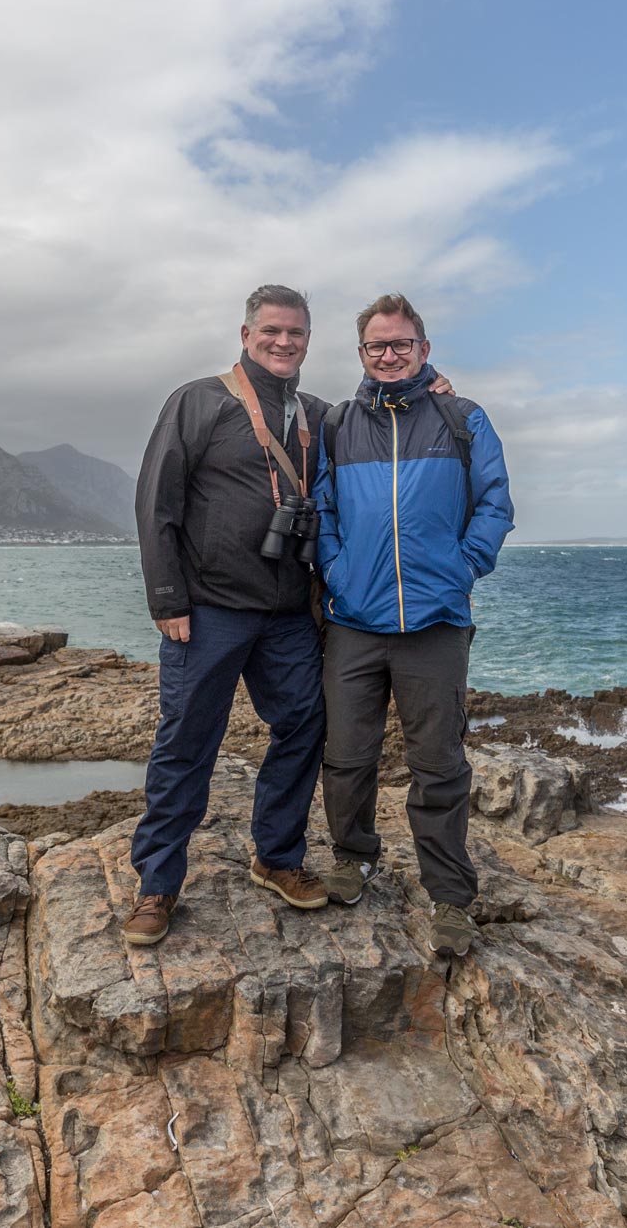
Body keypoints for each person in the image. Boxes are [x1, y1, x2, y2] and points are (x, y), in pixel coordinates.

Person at [126, 284, 335, 947]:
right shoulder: (198, 401)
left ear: (307, 340)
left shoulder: (317, 415)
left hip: (286, 614)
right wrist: (167, 600)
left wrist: (433, 391)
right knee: (187, 742)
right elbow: (156, 500)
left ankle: (276, 857)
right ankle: (157, 886)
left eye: (295, 333)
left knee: (305, 723)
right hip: (208, 611)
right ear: (246, 335)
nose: (283, 342)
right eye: (271, 331)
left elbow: (387, 422)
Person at [312, 293, 514, 956]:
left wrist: (464, 565)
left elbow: (494, 503)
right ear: (363, 354)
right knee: (345, 756)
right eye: (378, 346)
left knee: (439, 765)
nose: (390, 354)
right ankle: (353, 858)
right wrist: (338, 571)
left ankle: (450, 897)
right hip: (355, 621)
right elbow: (323, 512)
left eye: (402, 344)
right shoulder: (340, 425)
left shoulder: (462, 419)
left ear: (423, 350)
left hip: (436, 621)